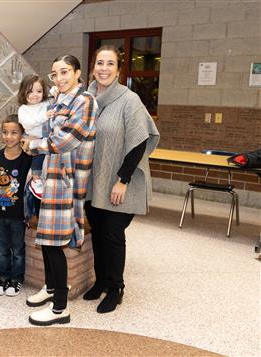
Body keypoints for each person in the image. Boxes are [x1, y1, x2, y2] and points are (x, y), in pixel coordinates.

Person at [83, 44, 160, 313]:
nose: (104, 69)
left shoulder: (129, 100)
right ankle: (101, 280)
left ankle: (116, 288)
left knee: (112, 234)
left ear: (118, 69)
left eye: (110, 64)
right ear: (92, 67)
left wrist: (122, 180)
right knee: (98, 233)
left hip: (121, 181)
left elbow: (139, 143)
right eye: (99, 63)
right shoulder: (86, 97)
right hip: (94, 181)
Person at [21, 55, 97, 326]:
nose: (60, 78)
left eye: (65, 72)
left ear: (77, 73)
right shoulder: (59, 99)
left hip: (66, 182)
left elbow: (68, 139)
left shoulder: (84, 101)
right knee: (46, 236)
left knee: (54, 243)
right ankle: (51, 287)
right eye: (55, 74)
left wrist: (34, 145)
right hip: (50, 179)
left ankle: (60, 308)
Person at [0, 114, 32, 297]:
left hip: (18, 214)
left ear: (22, 134)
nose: (9, 136)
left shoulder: (27, 159)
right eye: (5, 132)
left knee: (18, 249)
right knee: (1, 248)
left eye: (14, 132)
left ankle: (16, 279)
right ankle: (3, 277)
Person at [17, 74, 49, 200]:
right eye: (30, 91)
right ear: (23, 92)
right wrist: (45, 116)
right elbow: (28, 123)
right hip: (32, 138)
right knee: (37, 157)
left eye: (39, 91)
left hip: (46, 139)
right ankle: (36, 180)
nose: (35, 95)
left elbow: (54, 96)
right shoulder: (23, 109)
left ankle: (39, 179)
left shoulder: (45, 103)